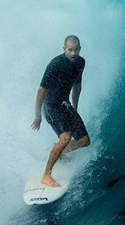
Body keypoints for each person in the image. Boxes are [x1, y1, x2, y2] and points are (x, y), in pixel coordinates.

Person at [31, 35, 91, 187]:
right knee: (65, 138)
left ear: (80, 49)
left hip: (65, 104)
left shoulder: (80, 62)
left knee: (84, 141)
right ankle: (46, 175)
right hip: (51, 105)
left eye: (76, 49)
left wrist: (74, 109)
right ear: (64, 49)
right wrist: (38, 115)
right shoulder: (55, 64)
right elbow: (41, 90)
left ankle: (60, 152)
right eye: (70, 50)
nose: (73, 53)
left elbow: (77, 86)